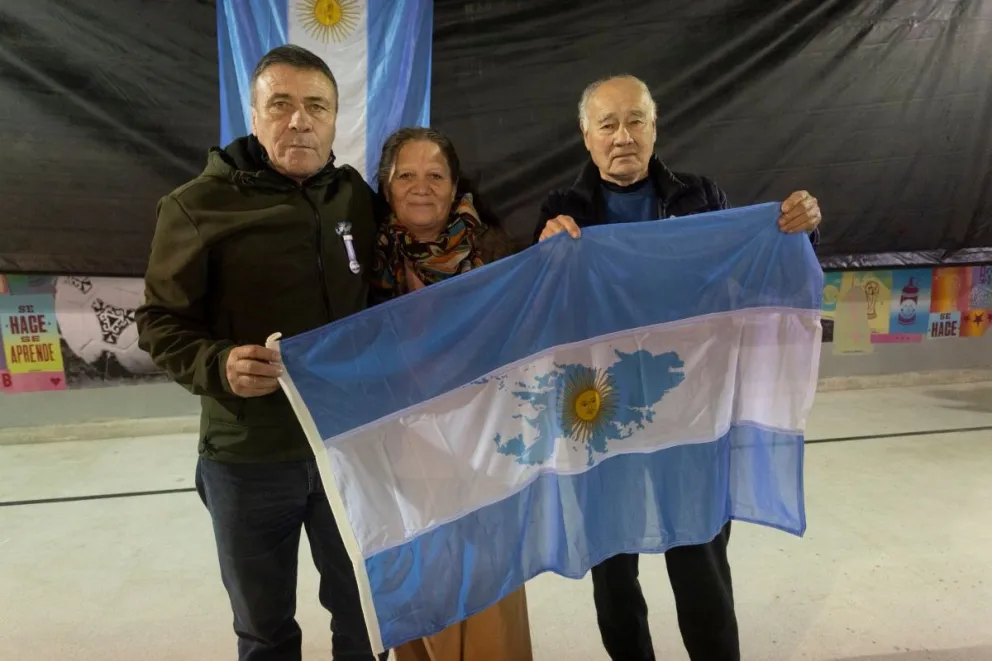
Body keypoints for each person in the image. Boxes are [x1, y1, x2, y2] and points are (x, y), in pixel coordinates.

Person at [534, 75, 823, 661]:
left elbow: (753, 269)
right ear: (586, 136)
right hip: (602, 416)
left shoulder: (700, 196)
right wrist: (542, 251)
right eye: (608, 124)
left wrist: (802, 228)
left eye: (635, 120)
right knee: (614, 572)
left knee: (701, 566)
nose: (623, 136)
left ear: (655, 126)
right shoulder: (562, 209)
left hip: (690, 411)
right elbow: (543, 307)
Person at [136, 44, 388, 661]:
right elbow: (158, 322)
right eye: (281, 104)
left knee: (366, 617)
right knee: (265, 631)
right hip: (248, 460)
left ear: (335, 120)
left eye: (315, 107)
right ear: (254, 115)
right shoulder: (195, 207)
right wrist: (217, 364)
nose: (299, 120)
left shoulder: (353, 197)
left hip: (346, 451)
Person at [370, 127, 534, 661]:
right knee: (422, 585)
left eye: (435, 175)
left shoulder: (494, 249)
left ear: (455, 184)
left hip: (482, 447)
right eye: (407, 176)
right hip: (402, 453)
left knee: (488, 587)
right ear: (386, 185)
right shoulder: (367, 263)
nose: (422, 187)